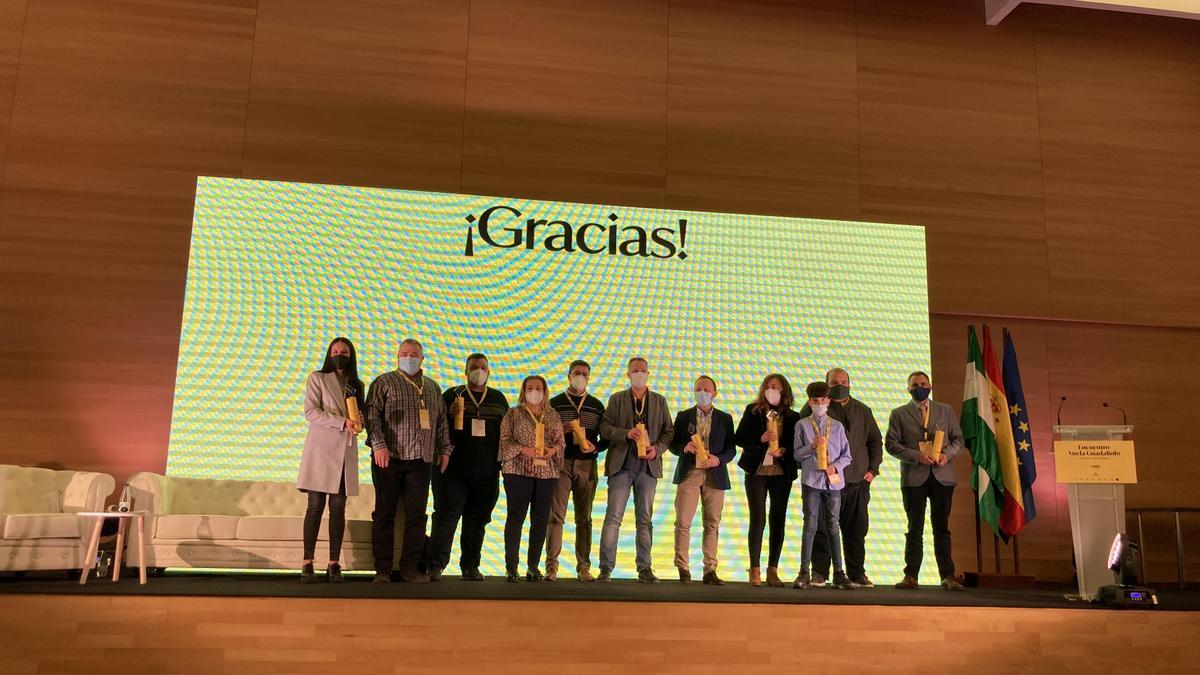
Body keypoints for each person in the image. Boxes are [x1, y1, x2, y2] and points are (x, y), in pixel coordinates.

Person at [365, 339, 452, 584]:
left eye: (414, 354)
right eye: (405, 354)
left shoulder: (433, 388)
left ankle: (409, 568)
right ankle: (382, 569)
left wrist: (445, 450)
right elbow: (372, 416)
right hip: (388, 459)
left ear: (422, 359)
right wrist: (379, 446)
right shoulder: (384, 382)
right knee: (384, 515)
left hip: (421, 460)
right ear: (397, 357)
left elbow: (442, 422)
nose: (409, 357)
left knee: (417, 516)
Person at [424, 353, 509, 581]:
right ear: (465, 371)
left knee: (477, 520)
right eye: (474, 367)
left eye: (482, 367)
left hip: (487, 471)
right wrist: (449, 416)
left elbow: (506, 436)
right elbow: (435, 426)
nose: (478, 371)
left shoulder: (499, 400)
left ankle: (470, 566)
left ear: (489, 372)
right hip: (453, 470)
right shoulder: (452, 394)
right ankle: (435, 564)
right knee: (446, 517)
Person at [801, 368, 883, 588]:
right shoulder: (814, 411)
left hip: (856, 482)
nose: (839, 384)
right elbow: (799, 442)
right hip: (824, 482)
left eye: (843, 381)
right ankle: (819, 573)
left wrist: (873, 470)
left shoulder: (863, 410)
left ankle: (857, 574)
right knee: (821, 527)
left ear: (850, 383)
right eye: (834, 382)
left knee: (856, 529)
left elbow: (875, 441)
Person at [885, 371, 966, 591]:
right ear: (908, 389)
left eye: (923, 383)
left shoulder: (945, 410)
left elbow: (959, 439)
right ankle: (911, 576)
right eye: (914, 384)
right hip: (914, 477)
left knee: (942, 528)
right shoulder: (898, 413)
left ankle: (948, 576)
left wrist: (946, 455)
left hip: (942, 476)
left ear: (930, 386)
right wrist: (916, 456)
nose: (919, 387)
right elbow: (891, 444)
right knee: (914, 528)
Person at [597, 357, 674, 583]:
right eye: (635, 371)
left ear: (648, 373)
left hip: (648, 467)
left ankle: (645, 569)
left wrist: (657, 449)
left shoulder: (659, 401)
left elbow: (668, 433)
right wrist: (625, 434)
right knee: (613, 518)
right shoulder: (617, 399)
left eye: (643, 370)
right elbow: (604, 428)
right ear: (628, 375)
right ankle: (605, 568)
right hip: (621, 465)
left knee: (645, 520)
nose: (639, 374)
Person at [297, 337, 364, 583]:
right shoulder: (318, 378)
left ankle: (334, 563)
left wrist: (359, 423)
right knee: (315, 506)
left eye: (344, 351)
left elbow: (357, 416)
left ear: (351, 355)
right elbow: (311, 411)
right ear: (329, 354)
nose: (339, 354)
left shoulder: (357, 383)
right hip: (321, 449)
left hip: (344, 450)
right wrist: (341, 422)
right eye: (335, 351)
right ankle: (307, 562)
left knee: (338, 508)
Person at [668, 376, 736, 585]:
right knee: (683, 522)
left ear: (715, 393)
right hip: (690, 472)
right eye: (699, 389)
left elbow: (731, 449)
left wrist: (719, 459)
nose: (703, 393)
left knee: (712, 523)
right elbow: (673, 444)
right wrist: (683, 448)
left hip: (714, 474)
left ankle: (710, 569)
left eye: (707, 390)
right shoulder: (683, 416)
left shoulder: (725, 418)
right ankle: (682, 566)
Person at [734, 374, 800, 587]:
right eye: (768, 387)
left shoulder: (793, 416)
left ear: (784, 391)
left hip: (781, 473)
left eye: (776, 387)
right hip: (757, 472)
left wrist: (785, 450)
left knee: (778, 519)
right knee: (758, 519)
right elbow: (739, 438)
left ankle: (773, 570)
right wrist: (760, 439)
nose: (771, 390)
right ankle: (754, 569)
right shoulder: (753, 411)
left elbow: (797, 445)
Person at [498, 375, 566, 582]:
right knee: (515, 518)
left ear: (545, 391)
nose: (534, 391)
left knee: (540, 520)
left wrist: (552, 451)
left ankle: (533, 566)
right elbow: (504, 441)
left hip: (546, 473)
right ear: (523, 390)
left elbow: (561, 443)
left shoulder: (553, 415)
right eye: (530, 387)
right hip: (517, 471)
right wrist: (523, 449)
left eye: (538, 387)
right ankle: (511, 567)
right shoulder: (513, 414)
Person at [546, 360, 607, 581]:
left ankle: (583, 567)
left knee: (585, 519)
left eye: (584, 374)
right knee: (555, 517)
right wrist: (558, 432)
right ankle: (551, 567)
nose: (580, 377)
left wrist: (596, 447)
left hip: (587, 464)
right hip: (560, 464)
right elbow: (544, 435)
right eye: (576, 373)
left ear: (589, 378)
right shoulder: (554, 403)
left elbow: (606, 438)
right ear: (568, 375)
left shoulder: (597, 405)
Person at [793, 381, 854, 590]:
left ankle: (838, 572)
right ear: (810, 402)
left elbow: (847, 456)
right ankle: (804, 572)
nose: (819, 404)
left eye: (823, 400)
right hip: (811, 481)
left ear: (828, 401)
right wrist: (811, 446)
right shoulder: (801, 425)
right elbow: (796, 455)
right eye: (815, 400)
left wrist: (835, 467)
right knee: (810, 524)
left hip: (833, 483)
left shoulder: (836, 426)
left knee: (833, 526)